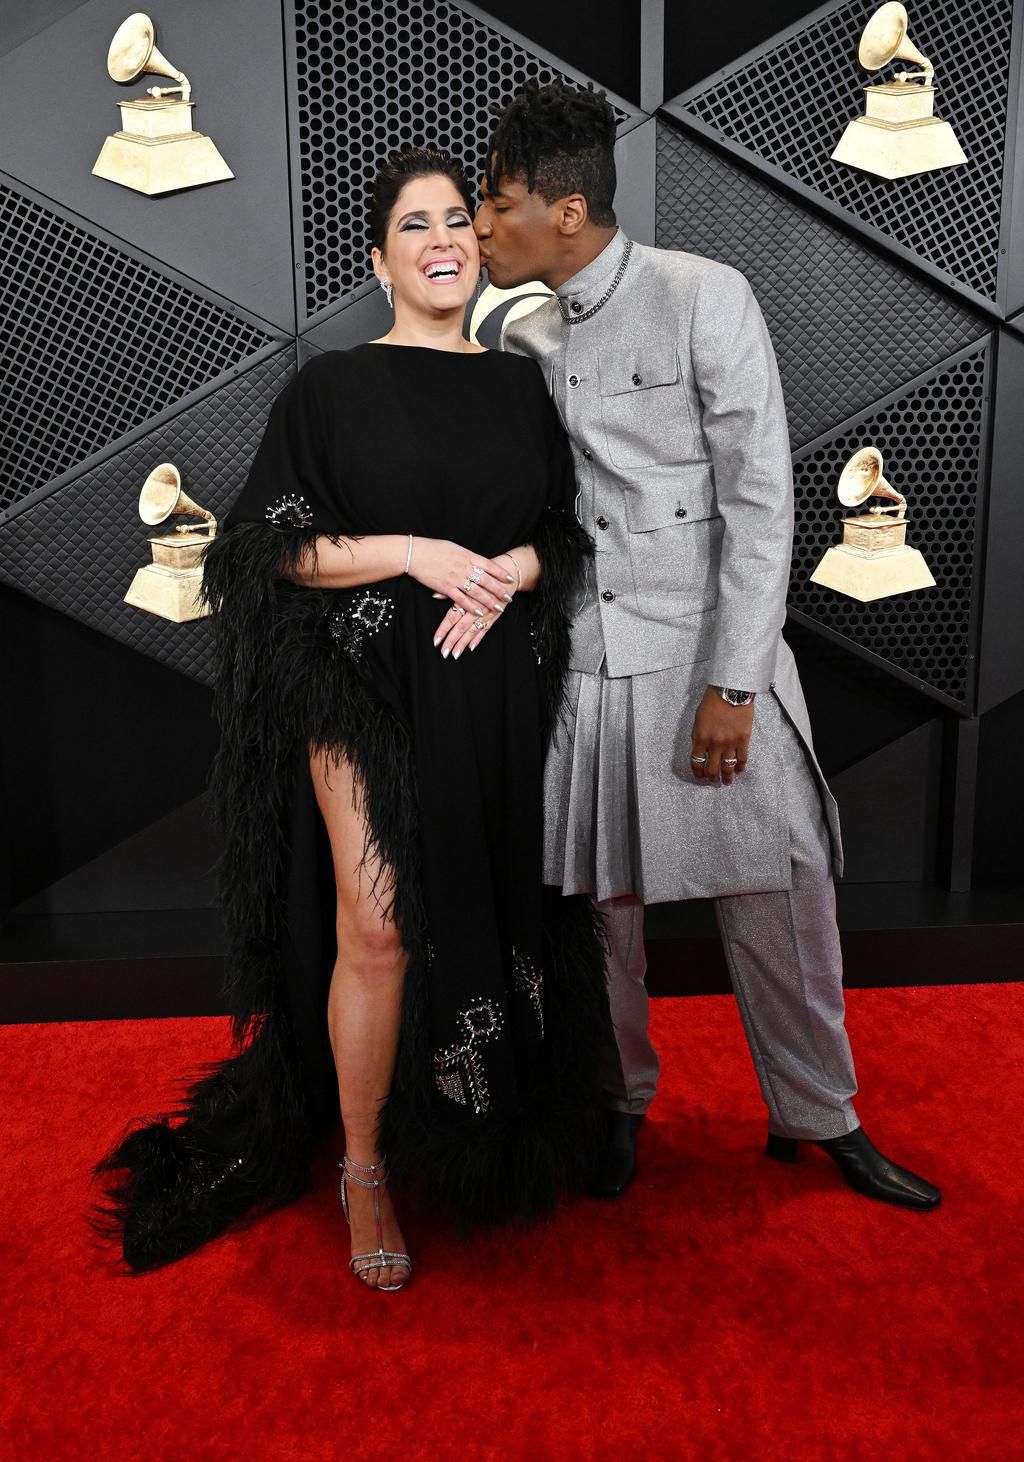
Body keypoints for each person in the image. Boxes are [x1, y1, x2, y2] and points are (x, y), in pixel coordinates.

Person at [96, 145, 613, 1286]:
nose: (443, 240)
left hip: (492, 687)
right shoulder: (329, 388)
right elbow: (265, 550)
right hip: (358, 687)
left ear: (480, 245)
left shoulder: (519, 387)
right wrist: (417, 553)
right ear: (378, 260)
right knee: (375, 927)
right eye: (414, 226)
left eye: (457, 221)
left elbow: (561, 535)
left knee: (491, 906)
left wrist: (508, 573)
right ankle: (365, 1167)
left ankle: (479, 1127)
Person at [473, 81, 940, 1211]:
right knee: (603, 918)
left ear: (567, 212)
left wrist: (736, 684)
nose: (481, 226)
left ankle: (820, 1115)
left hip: (707, 661)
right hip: (591, 663)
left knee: (785, 894)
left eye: (496, 204)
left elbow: (761, 500)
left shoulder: (702, 295)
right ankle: (618, 1103)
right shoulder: (519, 330)